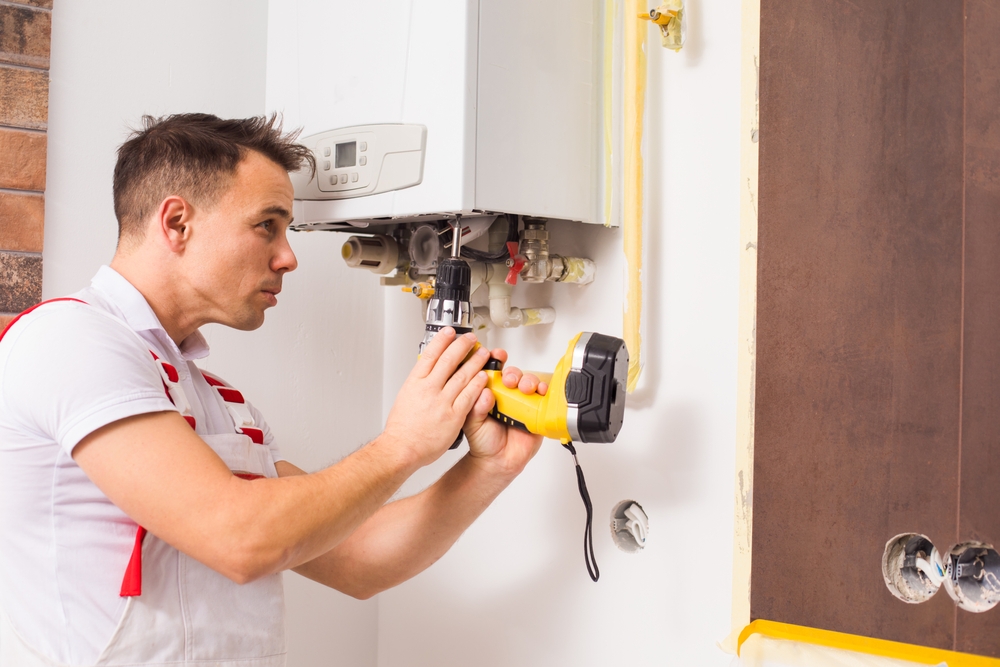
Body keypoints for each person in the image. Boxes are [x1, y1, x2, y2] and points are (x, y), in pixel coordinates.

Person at [0, 113, 547, 666]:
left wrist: (488, 468)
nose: (288, 257)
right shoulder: (70, 339)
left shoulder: (216, 400)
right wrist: (402, 444)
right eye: (268, 224)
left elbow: (358, 560)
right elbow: (239, 538)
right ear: (177, 223)